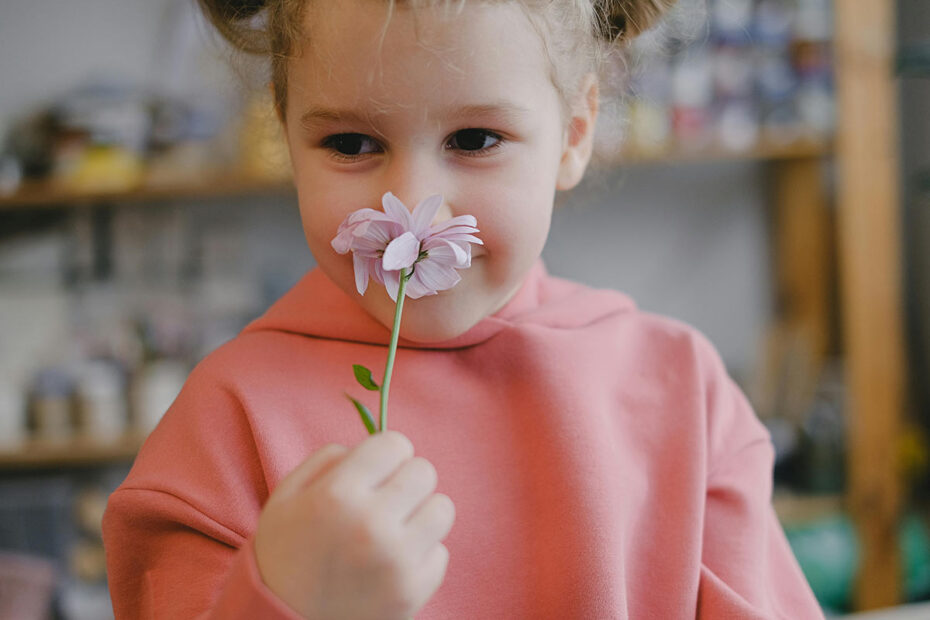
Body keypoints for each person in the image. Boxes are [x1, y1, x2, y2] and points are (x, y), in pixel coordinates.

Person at [101, 0, 825, 618]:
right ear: (287, 137)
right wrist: (283, 598)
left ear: (575, 131)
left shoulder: (685, 394)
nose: (414, 208)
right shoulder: (223, 423)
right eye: (351, 143)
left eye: (476, 140)